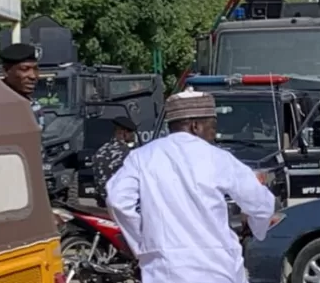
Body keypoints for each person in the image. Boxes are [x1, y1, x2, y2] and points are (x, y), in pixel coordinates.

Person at [106, 89, 277, 283]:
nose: (215, 135)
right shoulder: (218, 158)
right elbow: (261, 203)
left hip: (163, 270)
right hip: (217, 269)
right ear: (196, 126)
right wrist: (256, 227)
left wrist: (142, 244)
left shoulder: (142, 157)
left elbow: (117, 200)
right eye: (213, 127)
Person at [92, 115, 138, 207]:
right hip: (122, 204)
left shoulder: (101, 150)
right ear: (124, 133)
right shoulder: (128, 154)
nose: (133, 136)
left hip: (103, 204)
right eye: (132, 133)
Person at [0, 43, 43, 130]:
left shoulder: (33, 105)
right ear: (6, 71)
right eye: (24, 69)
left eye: (36, 69)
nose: (33, 76)